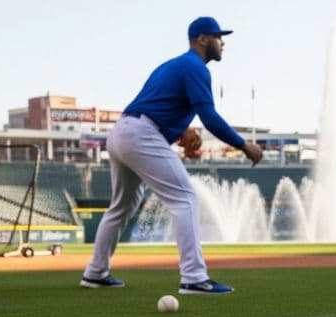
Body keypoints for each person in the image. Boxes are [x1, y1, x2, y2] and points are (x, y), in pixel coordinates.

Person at [82, 16, 264, 294]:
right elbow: (210, 117)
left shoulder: (175, 64)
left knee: (122, 207)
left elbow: (158, 104)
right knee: (185, 198)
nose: (222, 42)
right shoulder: (195, 66)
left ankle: (95, 272)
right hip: (141, 134)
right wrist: (243, 144)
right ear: (202, 39)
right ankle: (193, 277)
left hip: (124, 132)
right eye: (218, 37)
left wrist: (179, 133)